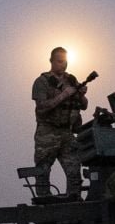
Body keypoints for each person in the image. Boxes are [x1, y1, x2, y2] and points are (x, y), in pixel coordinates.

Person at [31, 47, 89, 198]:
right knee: (43, 174)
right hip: (47, 132)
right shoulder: (42, 82)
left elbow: (84, 105)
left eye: (66, 61)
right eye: (60, 61)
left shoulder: (71, 80)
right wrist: (64, 95)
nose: (64, 65)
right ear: (51, 61)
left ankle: (74, 207)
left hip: (67, 132)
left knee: (74, 173)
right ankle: (45, 213)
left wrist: (80, 95)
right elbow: (42, 108)